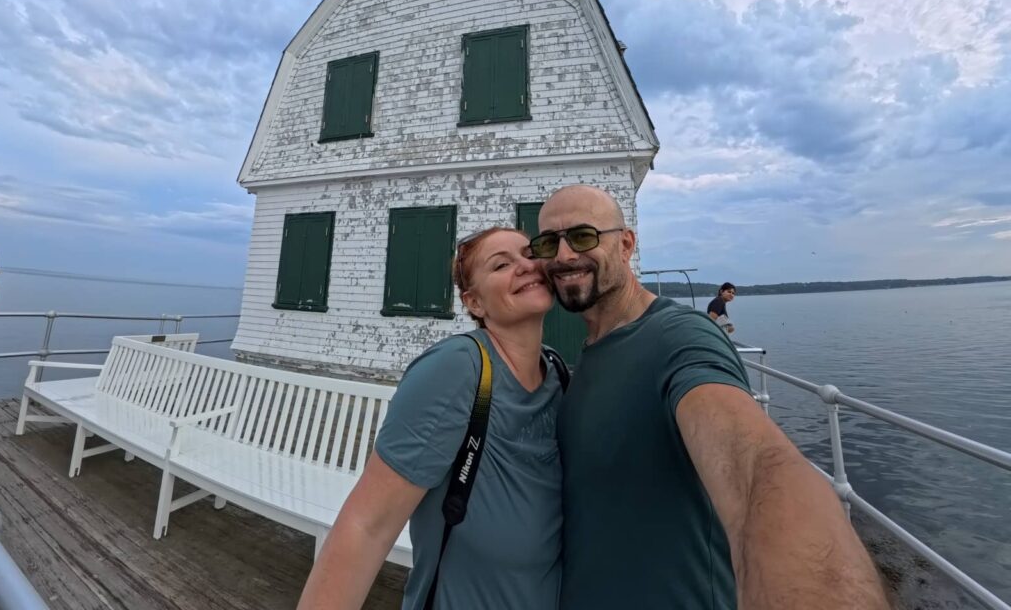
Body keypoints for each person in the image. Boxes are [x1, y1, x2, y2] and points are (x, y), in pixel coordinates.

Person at [531, 185, 888, 610]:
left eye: (584, 236)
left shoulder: (679, 338)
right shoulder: (595, 351)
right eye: (549, 242)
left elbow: (754, 465)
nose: (565, 255)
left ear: (625, 244)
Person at [298, 227, 564, 610]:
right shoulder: (458, 369)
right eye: (502, 264)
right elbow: (367, 528)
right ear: (475, 303)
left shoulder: (558, 373)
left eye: (529, 254)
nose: (526, 266)